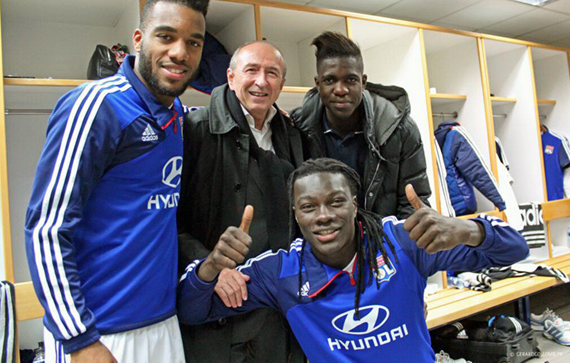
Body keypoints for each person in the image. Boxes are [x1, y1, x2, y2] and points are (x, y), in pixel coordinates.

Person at [178, 158, 530, 362]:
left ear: (355, 203)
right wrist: (210, 269)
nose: (323, 216)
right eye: (308, 207)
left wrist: (468, 230)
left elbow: (516, 250)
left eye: (335, 201)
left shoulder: (402, 242)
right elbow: (194, 311)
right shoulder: (281, 273)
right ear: (295, 215)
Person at [24, 0, 210, 362]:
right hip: (101, 334)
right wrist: (79, 340)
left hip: (162, 324)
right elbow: (47, 229)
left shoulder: (178, 117)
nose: (180, 52)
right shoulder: (97, 107)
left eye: (194, 42)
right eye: (166, 36)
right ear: (138, 39)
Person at [177, 41, 305, 362]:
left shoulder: (293, 137)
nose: (261, 81)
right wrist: (210, 268)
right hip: (217, 315)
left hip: (277, 316)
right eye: (251, 71)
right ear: (231, 78)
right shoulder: (194, 131)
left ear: (281, 85)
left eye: (272, 73)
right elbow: (168, 222)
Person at [292, 31, 431, 219]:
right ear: (318, 84)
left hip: (384, 240)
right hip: (323, 241)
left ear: (363, 82)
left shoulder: (399, 129)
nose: (340, 90)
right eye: (330, 80)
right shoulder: (296, 129)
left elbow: (414, 203)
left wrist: (390, 245)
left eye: (350, 79)